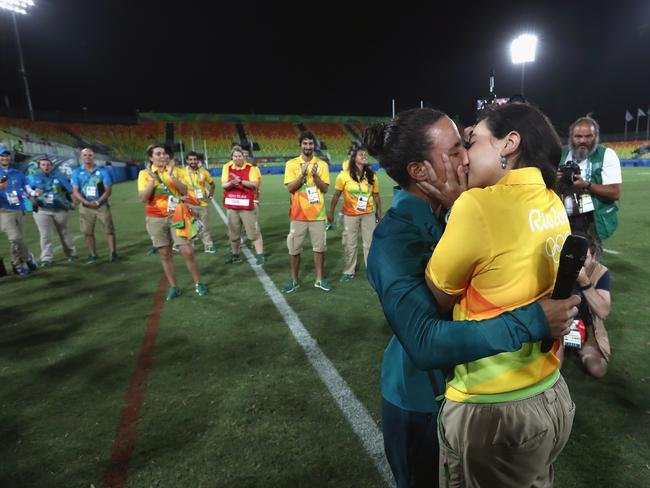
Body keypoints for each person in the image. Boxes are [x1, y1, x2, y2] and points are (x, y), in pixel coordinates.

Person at [365, 108, 579, 488]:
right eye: (454, 152)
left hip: (478, 395)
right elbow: (424, 341)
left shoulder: (471, 208)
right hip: (419, 398)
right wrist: (533, 321)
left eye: (466, 144)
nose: (466, 156)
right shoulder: (393, 239)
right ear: (419, 171)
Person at [425, 103, 575, 487]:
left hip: (495, 406)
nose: (464, 158)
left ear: (509, 144)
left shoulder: (478, 205)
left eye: (472, 142)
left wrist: (454, 206)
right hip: (551, 393)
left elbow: (438, 296)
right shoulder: (552, 199)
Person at [137, 144, 207, 300]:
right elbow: (143, 198)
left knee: (187, 251)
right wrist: (153, 180)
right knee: (165, 254)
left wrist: (171, 175)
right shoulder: (144, 174)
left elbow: (184, 191)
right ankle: (174, 287)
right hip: (155, 217)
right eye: (158, 154)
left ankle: (198, 283)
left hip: (176, 216)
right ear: (151, 158)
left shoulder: (177, 171)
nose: (163, 156)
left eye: (164, 153)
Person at [558, 116, 622, 242]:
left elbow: (615, 192)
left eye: (588, 136)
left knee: (588, 258)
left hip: (592, 219)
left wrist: (587, 185)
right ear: (571, 137)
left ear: (596, 136)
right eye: (578, 136)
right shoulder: (561, 153)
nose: (583, 140)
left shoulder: (606, 155)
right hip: (564, 215)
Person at [558, 231, 612, 378]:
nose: (579, 262)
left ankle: (583, 348)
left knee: (597, 369)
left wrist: (584, 282)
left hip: (587, 327)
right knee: (553, 369)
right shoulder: (559, 268)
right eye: (575, 257)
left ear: (593, 258)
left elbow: (603, 311)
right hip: (560, 326)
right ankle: (561, 345)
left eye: (584, 258)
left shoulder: (600, 272)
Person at [282, 130, 331, 293]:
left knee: (319, 248)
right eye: (305, 143)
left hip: (317, 214)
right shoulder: (291, 164)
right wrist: (302, 174)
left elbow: (324, 189)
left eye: (310, 143)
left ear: (314, 145)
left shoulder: (322, 165)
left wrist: (316, 176)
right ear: (300, 145)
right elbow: (290, 188)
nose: (308, 146)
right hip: (298, 214)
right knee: (294, 249)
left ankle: (319, 279)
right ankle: (294, 280)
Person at [328, 145, 381, 282]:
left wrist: (379, 213)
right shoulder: (343, 176)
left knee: (369, 243)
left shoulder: (371, 175)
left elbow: (376, 196)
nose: (364, 156)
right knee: (350, 243)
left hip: (368, 213)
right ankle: (349, 270)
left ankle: (371, 270)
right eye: (361, 155)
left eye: (365, 154)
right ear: (354, 159)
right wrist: (331, 213)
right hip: (350, 215)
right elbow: (335, 195)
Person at [71, 148, 118, 263]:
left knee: (109, 230)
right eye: (85, 155)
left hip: (101, 206)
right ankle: (93, 254)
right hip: (85, 207)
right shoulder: (76, 172)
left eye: (90, 155)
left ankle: (113, 253)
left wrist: (98, 202)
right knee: (87, 232)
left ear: (94, 157)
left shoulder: (103, 171)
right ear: (81, 157)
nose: (88, 157)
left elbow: (108, 191)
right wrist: (85, 202)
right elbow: (75, 191)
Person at [28, 157, 77, 266]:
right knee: (45, 234)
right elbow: (27, 191)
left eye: (48, 164)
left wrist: (74, 203)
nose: (46, 166)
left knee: (64, 232)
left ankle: (71, 253)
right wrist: (33, 200)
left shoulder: (60, 177)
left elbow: (70, 191)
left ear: (51, 166)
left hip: (60, 209)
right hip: (42, 210)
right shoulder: (32, 178)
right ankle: (46, 258)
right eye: (43, 164)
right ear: (39, 167)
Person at [221, 148, 264, 265]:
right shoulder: (227, 167)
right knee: (233, 233)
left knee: (253, 233)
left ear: (243, 157)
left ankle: (260, 255)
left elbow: (254, 184)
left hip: (246, 206)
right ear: (232, 158)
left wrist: (240, 181)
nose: (238, 158)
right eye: (235, 156)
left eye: (240, 156)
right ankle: (235, 255)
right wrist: (231, 183)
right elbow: (224, 185)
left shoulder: (252, 168)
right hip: (232, 206)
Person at [0, 146, 37, 275]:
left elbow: (27, 188)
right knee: (15, 238)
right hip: (4, 211)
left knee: (17, 239)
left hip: (19, 209)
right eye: (2, 156)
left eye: (6, 155)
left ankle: (18, 265)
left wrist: (34, 194)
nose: (4, 158)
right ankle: (27, 258)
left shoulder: (18, 173)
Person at [180, 151, 217, 254]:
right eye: (190, 159)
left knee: (204, 227)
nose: (193, 161)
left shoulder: (204, 172)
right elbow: (177, 187)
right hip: (189, 203)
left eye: (195, 159)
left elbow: (212, 184)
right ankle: (190, 247)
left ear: (198, 160)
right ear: (187, 160)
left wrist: (211, 194)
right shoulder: (182, 172)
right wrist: (181, 197)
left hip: (202, 204)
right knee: (190, 227)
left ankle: (208, 246)